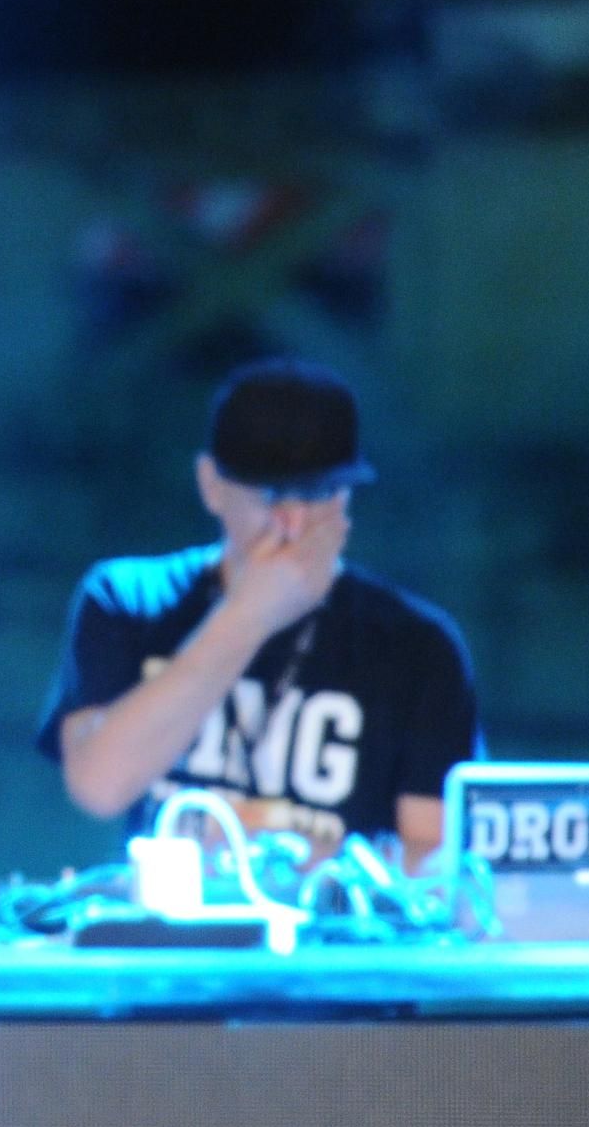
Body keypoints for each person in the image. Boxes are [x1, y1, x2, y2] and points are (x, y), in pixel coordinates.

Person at [35, 357, 479, 871]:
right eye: (271, 496)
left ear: (346, 499)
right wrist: (247, 615)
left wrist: (283, 858)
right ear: (212, 485)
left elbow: (437, 858)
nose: (293, 522)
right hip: (164, 920)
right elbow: (98, 786)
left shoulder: (418, 644)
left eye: (318, 494)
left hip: (332, 921)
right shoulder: (128, 599)